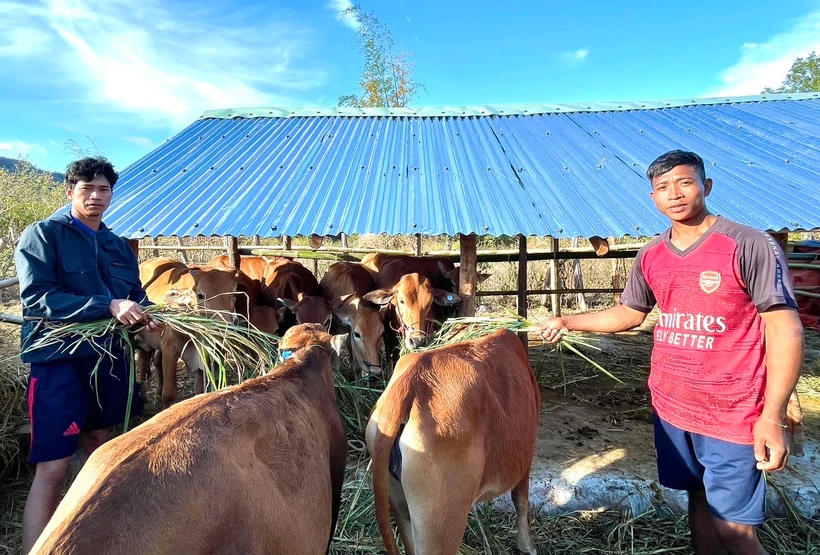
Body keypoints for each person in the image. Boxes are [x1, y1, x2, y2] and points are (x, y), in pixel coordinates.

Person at [540, 150, 804, 555]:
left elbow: (784, 328)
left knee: (736, 531)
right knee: (697, 499)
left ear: (706, 186)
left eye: (684, 182)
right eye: (663, 187)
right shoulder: (651, 254)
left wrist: (773, 415)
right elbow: (629, 313)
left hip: (734, 411)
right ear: (653, 198)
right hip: (672, 407)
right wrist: (568, 321)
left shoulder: (747, 244)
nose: (674, 193)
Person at [15, 157, 160, 552]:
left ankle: (99, 536)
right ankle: (37, 548)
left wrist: (154, 316)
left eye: (103, 189)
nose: (95, 196)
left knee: (101, 444)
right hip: (59, 360)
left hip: (109, 357)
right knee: (54, 466)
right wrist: (108, 305)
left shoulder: (117, 245)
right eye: (86, 189)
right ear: (70, 192)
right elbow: (38, 298)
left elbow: (136, 295)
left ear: (112, 193)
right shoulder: (43, 235)